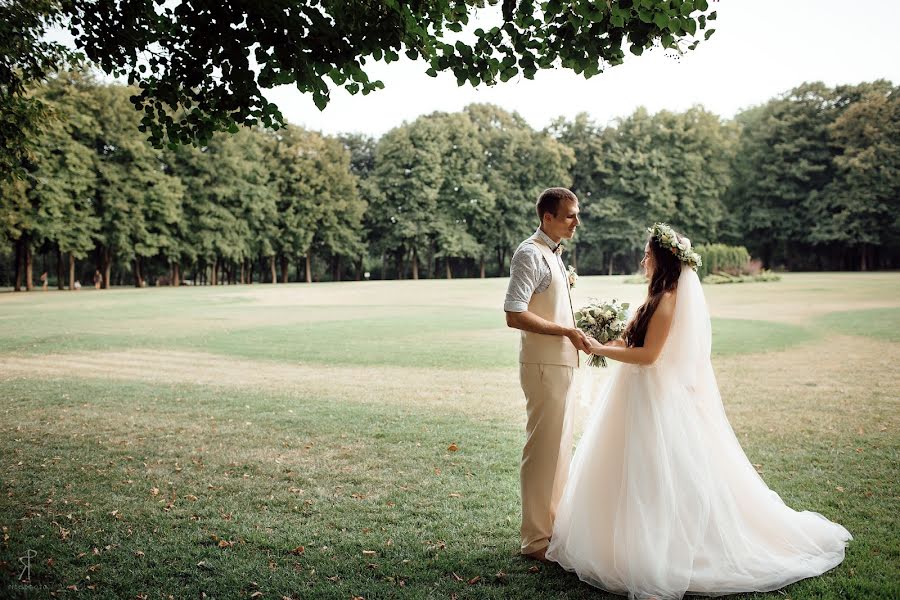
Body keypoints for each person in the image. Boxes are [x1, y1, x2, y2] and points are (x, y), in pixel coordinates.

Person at [545, 223, 851, 599]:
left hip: (653, 398)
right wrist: (608, 336)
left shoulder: (670, 300)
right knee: (624, 466)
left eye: (648, 254)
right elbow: (633, 339)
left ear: (663, 259)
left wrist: (600, 350)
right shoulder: (654, 296)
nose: (643, 260)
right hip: (631, 394)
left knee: (656, 471)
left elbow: (649, 356)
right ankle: (618, 541)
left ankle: (660, 548)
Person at [504, 187, 591, 562]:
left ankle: (552, 529)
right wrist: (565, 332)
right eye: (570, 215)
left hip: (563, 364)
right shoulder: (529, 253)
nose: (576, 222)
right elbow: (514, 312)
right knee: (542, 452)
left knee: (559, 451)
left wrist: (580, 327)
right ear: (548, 218)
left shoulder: (554, 255)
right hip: (543, 367)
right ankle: (535, 541)